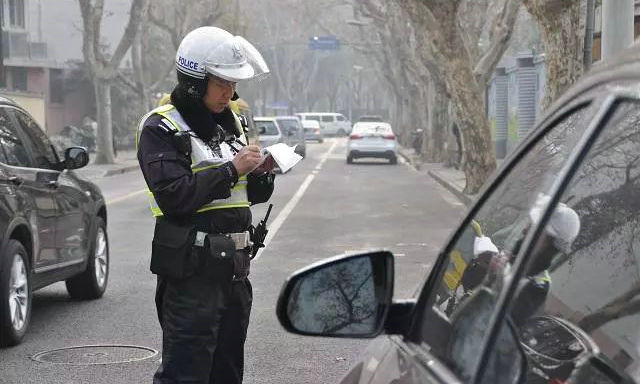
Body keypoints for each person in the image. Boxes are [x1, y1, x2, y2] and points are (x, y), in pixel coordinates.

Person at [136, 26, 274, 384]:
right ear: (195, 82)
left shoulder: (233, 123)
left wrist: (263, 171)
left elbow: (249, 196)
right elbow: (175, 197)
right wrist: (232, 168)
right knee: (186, 374)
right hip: (192, 275)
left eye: (233, 84)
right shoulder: (162, 128)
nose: (230, 93)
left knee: (227, 373)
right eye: (222, 83)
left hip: (234, 272)